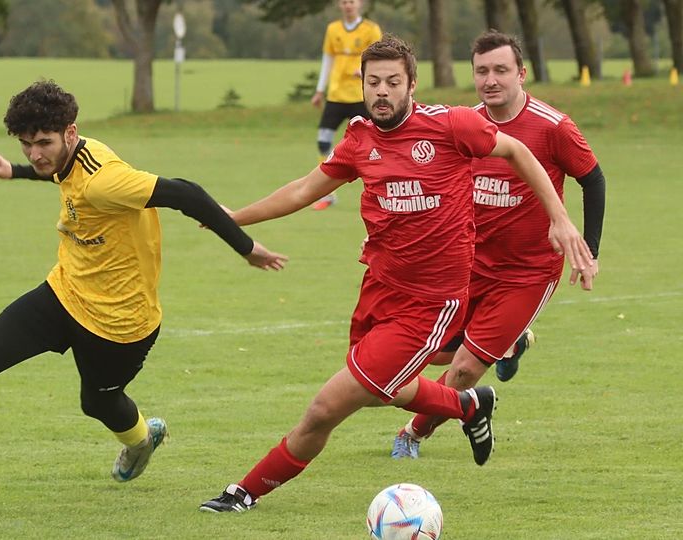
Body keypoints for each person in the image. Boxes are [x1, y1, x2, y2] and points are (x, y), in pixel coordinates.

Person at [0, 80, 289, 510]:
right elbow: (60, 173)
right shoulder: (69, 156)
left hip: (121, 321)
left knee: (97, 402)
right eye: (25, 144)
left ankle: (140, 440)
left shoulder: (106, 180)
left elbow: (185, 193)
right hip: (64, 292)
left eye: (43, 143)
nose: (35, 152)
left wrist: (247, 249)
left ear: (70, 133)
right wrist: (13, 170)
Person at [199, 35, 593, 513]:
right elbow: (305, 188)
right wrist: (233, 218)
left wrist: (560, 217)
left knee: (326, 408)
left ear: (412, 85)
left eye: (392, 82)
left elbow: (518, 153)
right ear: (362, 86)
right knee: (378, 390)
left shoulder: (451, 125)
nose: (381, 91)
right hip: (379, 288)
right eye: (372, 82)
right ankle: (470, 405)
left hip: (430, 303)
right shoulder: (360, 136)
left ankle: (244, 492)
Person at [390, 30, 604, 460]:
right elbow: (434, 188)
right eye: (482, 71)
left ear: (521, 74)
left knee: (465, 369)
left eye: (501, 70)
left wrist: (589, 249)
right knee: (430, 356)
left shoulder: (553, 127)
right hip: (467, 263)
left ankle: (411, 434)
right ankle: (512, 342)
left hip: (526, 273)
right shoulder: (464, 125)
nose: (491, 80)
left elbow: (592, 179)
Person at [309, 0, 381, 210]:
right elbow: (327, 60)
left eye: (352, 1)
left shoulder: (371, 29)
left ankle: (378, 190)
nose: (348, 5)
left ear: (360, 4)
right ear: (339, 5)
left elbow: (379, 57)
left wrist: (366, 71)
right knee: (323, 138)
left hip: (360, 95)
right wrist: (319, 90)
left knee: (374, 143)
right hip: (336, 94)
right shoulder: (333, 29)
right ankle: (327, 193)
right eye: (344, 2)